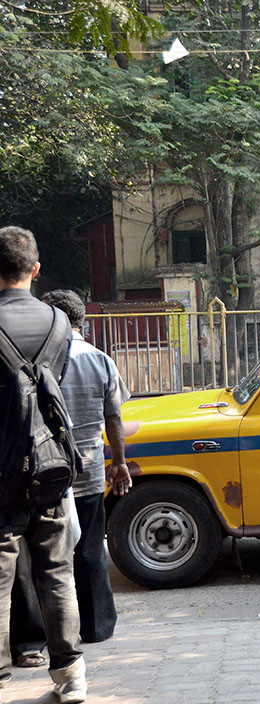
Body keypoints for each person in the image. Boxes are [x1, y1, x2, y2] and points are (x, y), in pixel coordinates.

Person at [0, 226, 87, 704]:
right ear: (34, 270)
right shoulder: (58, 322)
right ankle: (72, 677)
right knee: (57, 569)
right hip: (51, 468)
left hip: (0, 470)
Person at [40, 290, 132, 643]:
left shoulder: (40, 362)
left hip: (46, 474)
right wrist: (119, 463)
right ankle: (96, 628)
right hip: (90, 473)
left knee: (49, 555)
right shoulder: (100, 360)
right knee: (91, 551)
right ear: (82, 322)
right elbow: (114, 419)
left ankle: (52, 632)